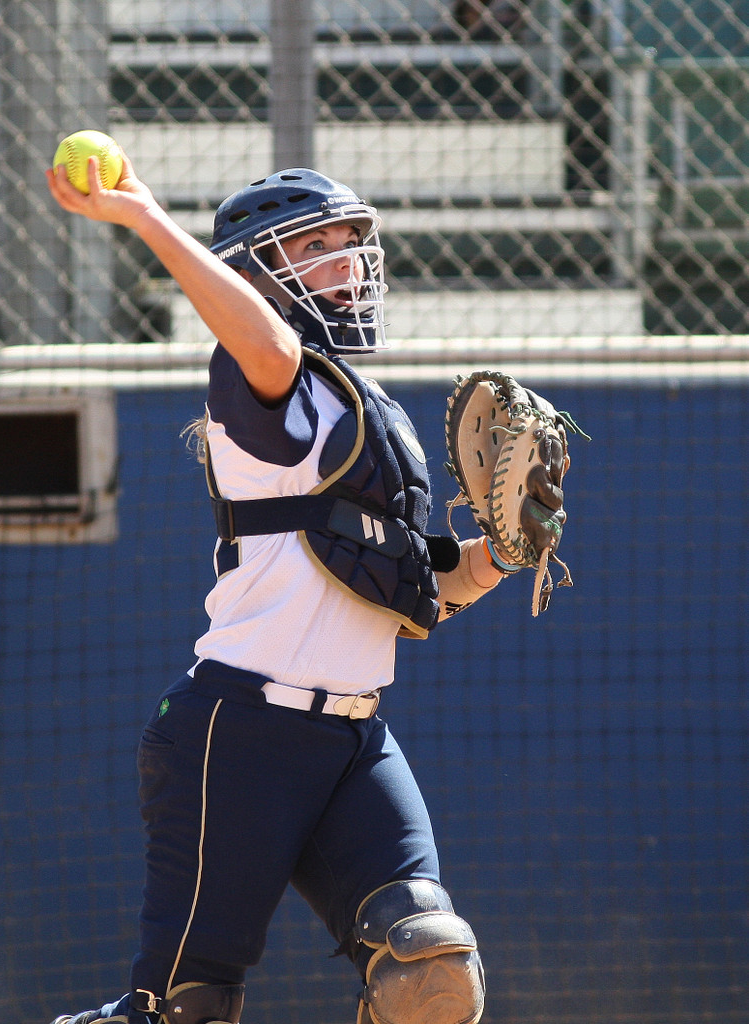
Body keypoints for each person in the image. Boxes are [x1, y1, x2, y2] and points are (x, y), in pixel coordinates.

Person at [45, 152, 513, 1024]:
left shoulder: (368, 410)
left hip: (355, 740)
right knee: (184, 1007)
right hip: (239, 732)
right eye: (316, 246)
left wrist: (500, 554)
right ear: (255, 271)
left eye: (350, 243)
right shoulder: (258, 375)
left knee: (431, 967)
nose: (347, 261)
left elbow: (416, 597)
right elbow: (263, 340)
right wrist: (146, 216)